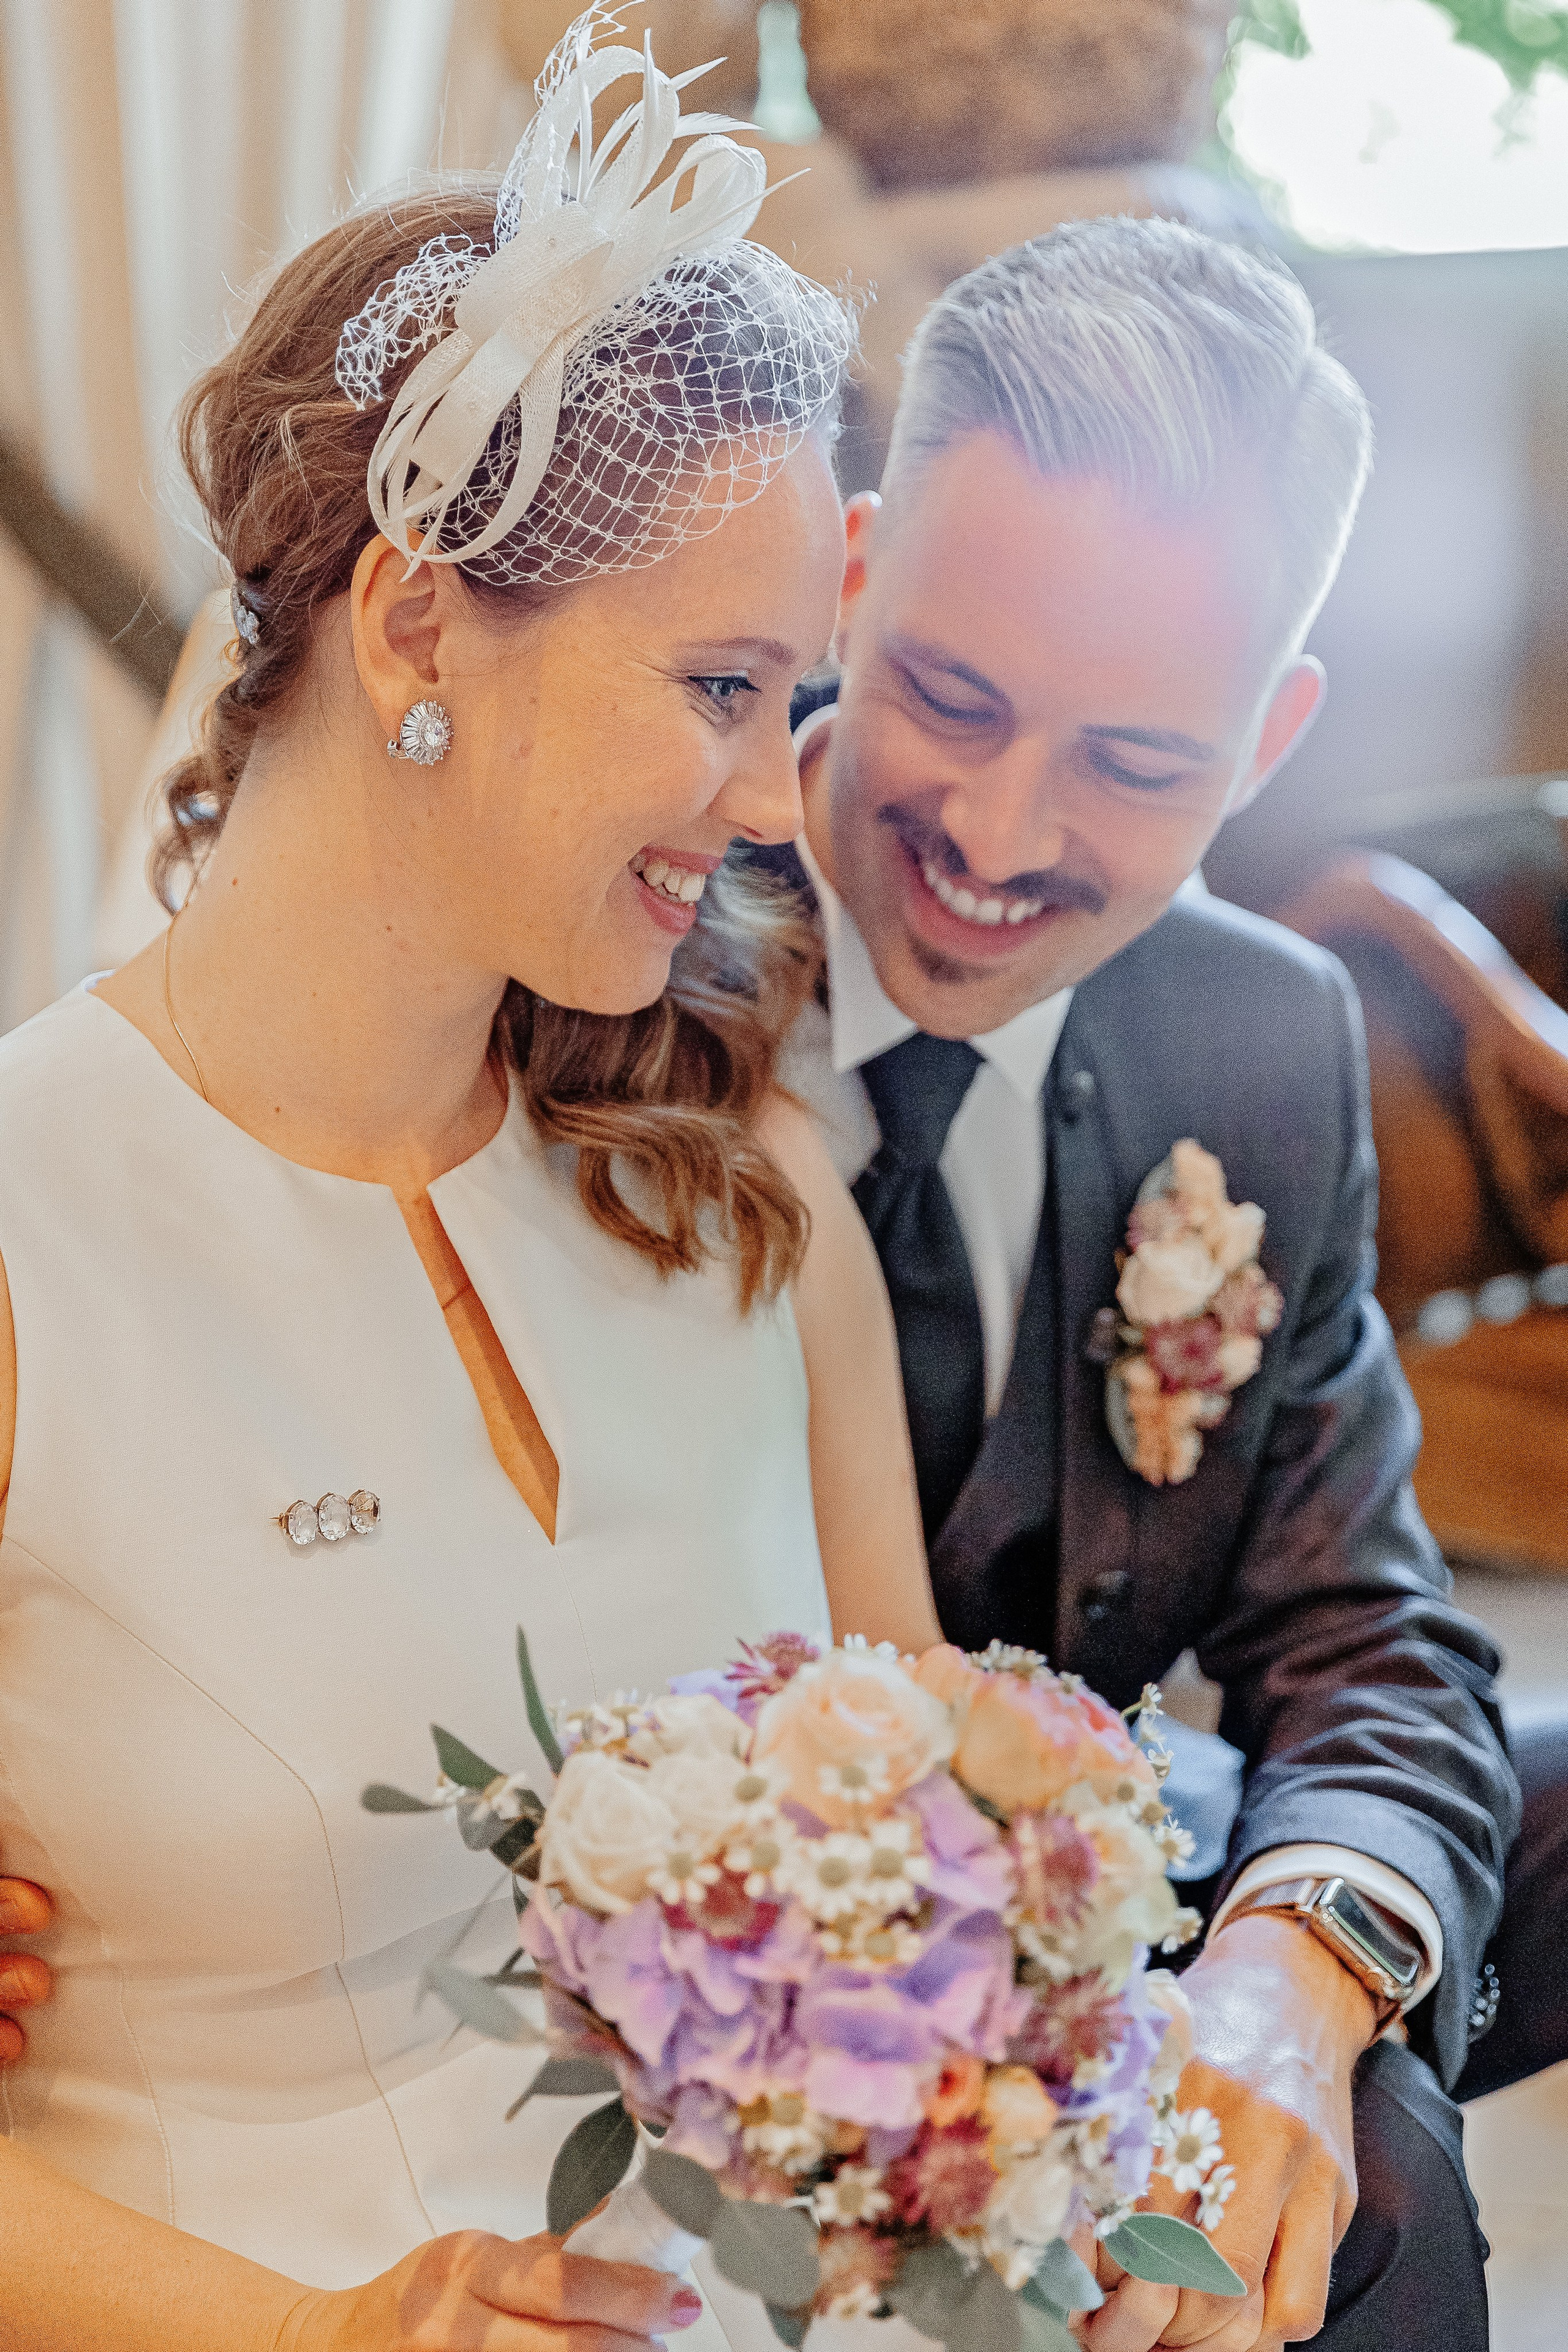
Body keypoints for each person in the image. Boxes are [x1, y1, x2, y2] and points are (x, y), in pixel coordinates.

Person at [0, 22, 940, 2352]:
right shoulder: (27, 1240)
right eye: (719, 684)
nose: (768, 803)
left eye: (791, 707)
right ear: (417, 621)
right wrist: (325, 2336)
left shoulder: (756, 1211)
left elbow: (943, 1879)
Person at [748, 220, 1554, 2351]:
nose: (1000, 834)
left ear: (1274, 729)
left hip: (1134, 1850)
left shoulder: (1260, 1041)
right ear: (850, 571)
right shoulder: (610, 954)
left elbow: (1362, 1628)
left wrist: (1295, 1972)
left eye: (1135, 765)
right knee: (1380, 2181)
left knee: (1361, 2001)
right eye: (949, 695)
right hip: (714, 1922)